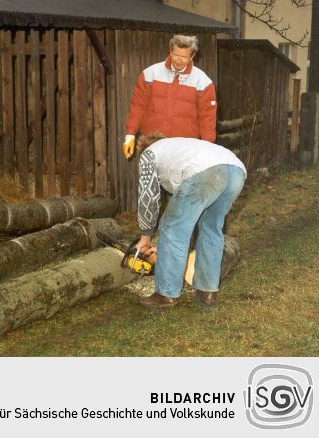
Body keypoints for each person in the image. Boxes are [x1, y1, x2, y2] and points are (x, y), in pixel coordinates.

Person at [135, 133, 246, 308]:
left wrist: (145, 237)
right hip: (236, 170)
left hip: (207, 171)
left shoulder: (149, 154)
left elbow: (148, 199)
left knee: (172, 228)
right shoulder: (181, 149)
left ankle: (166, 293)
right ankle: (207, 290)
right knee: (211, 228)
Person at [122, 35, 217, 160]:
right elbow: (138, 106)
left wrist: (207, 148)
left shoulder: (203, 82)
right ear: (170, 51)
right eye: (176, 55)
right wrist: (130, 135)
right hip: (151, 145)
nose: (179, 60)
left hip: (184, 149)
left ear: (192, 57)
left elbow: (207, 120)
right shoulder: (150, 74)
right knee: (151, 180)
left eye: (184, 57)